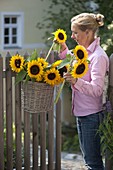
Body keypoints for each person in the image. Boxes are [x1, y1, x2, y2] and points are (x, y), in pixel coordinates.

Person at [59, 13, 109, 170]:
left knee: (92, 162)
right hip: (82, 114)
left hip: (92, 116)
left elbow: (97, 89)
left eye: (75, 32)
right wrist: (63, 49)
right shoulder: (84, 52)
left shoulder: (98, 57)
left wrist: (76, 81)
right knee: (89, 160)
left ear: (88, 32)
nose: (72, 36)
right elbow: (71, 59)